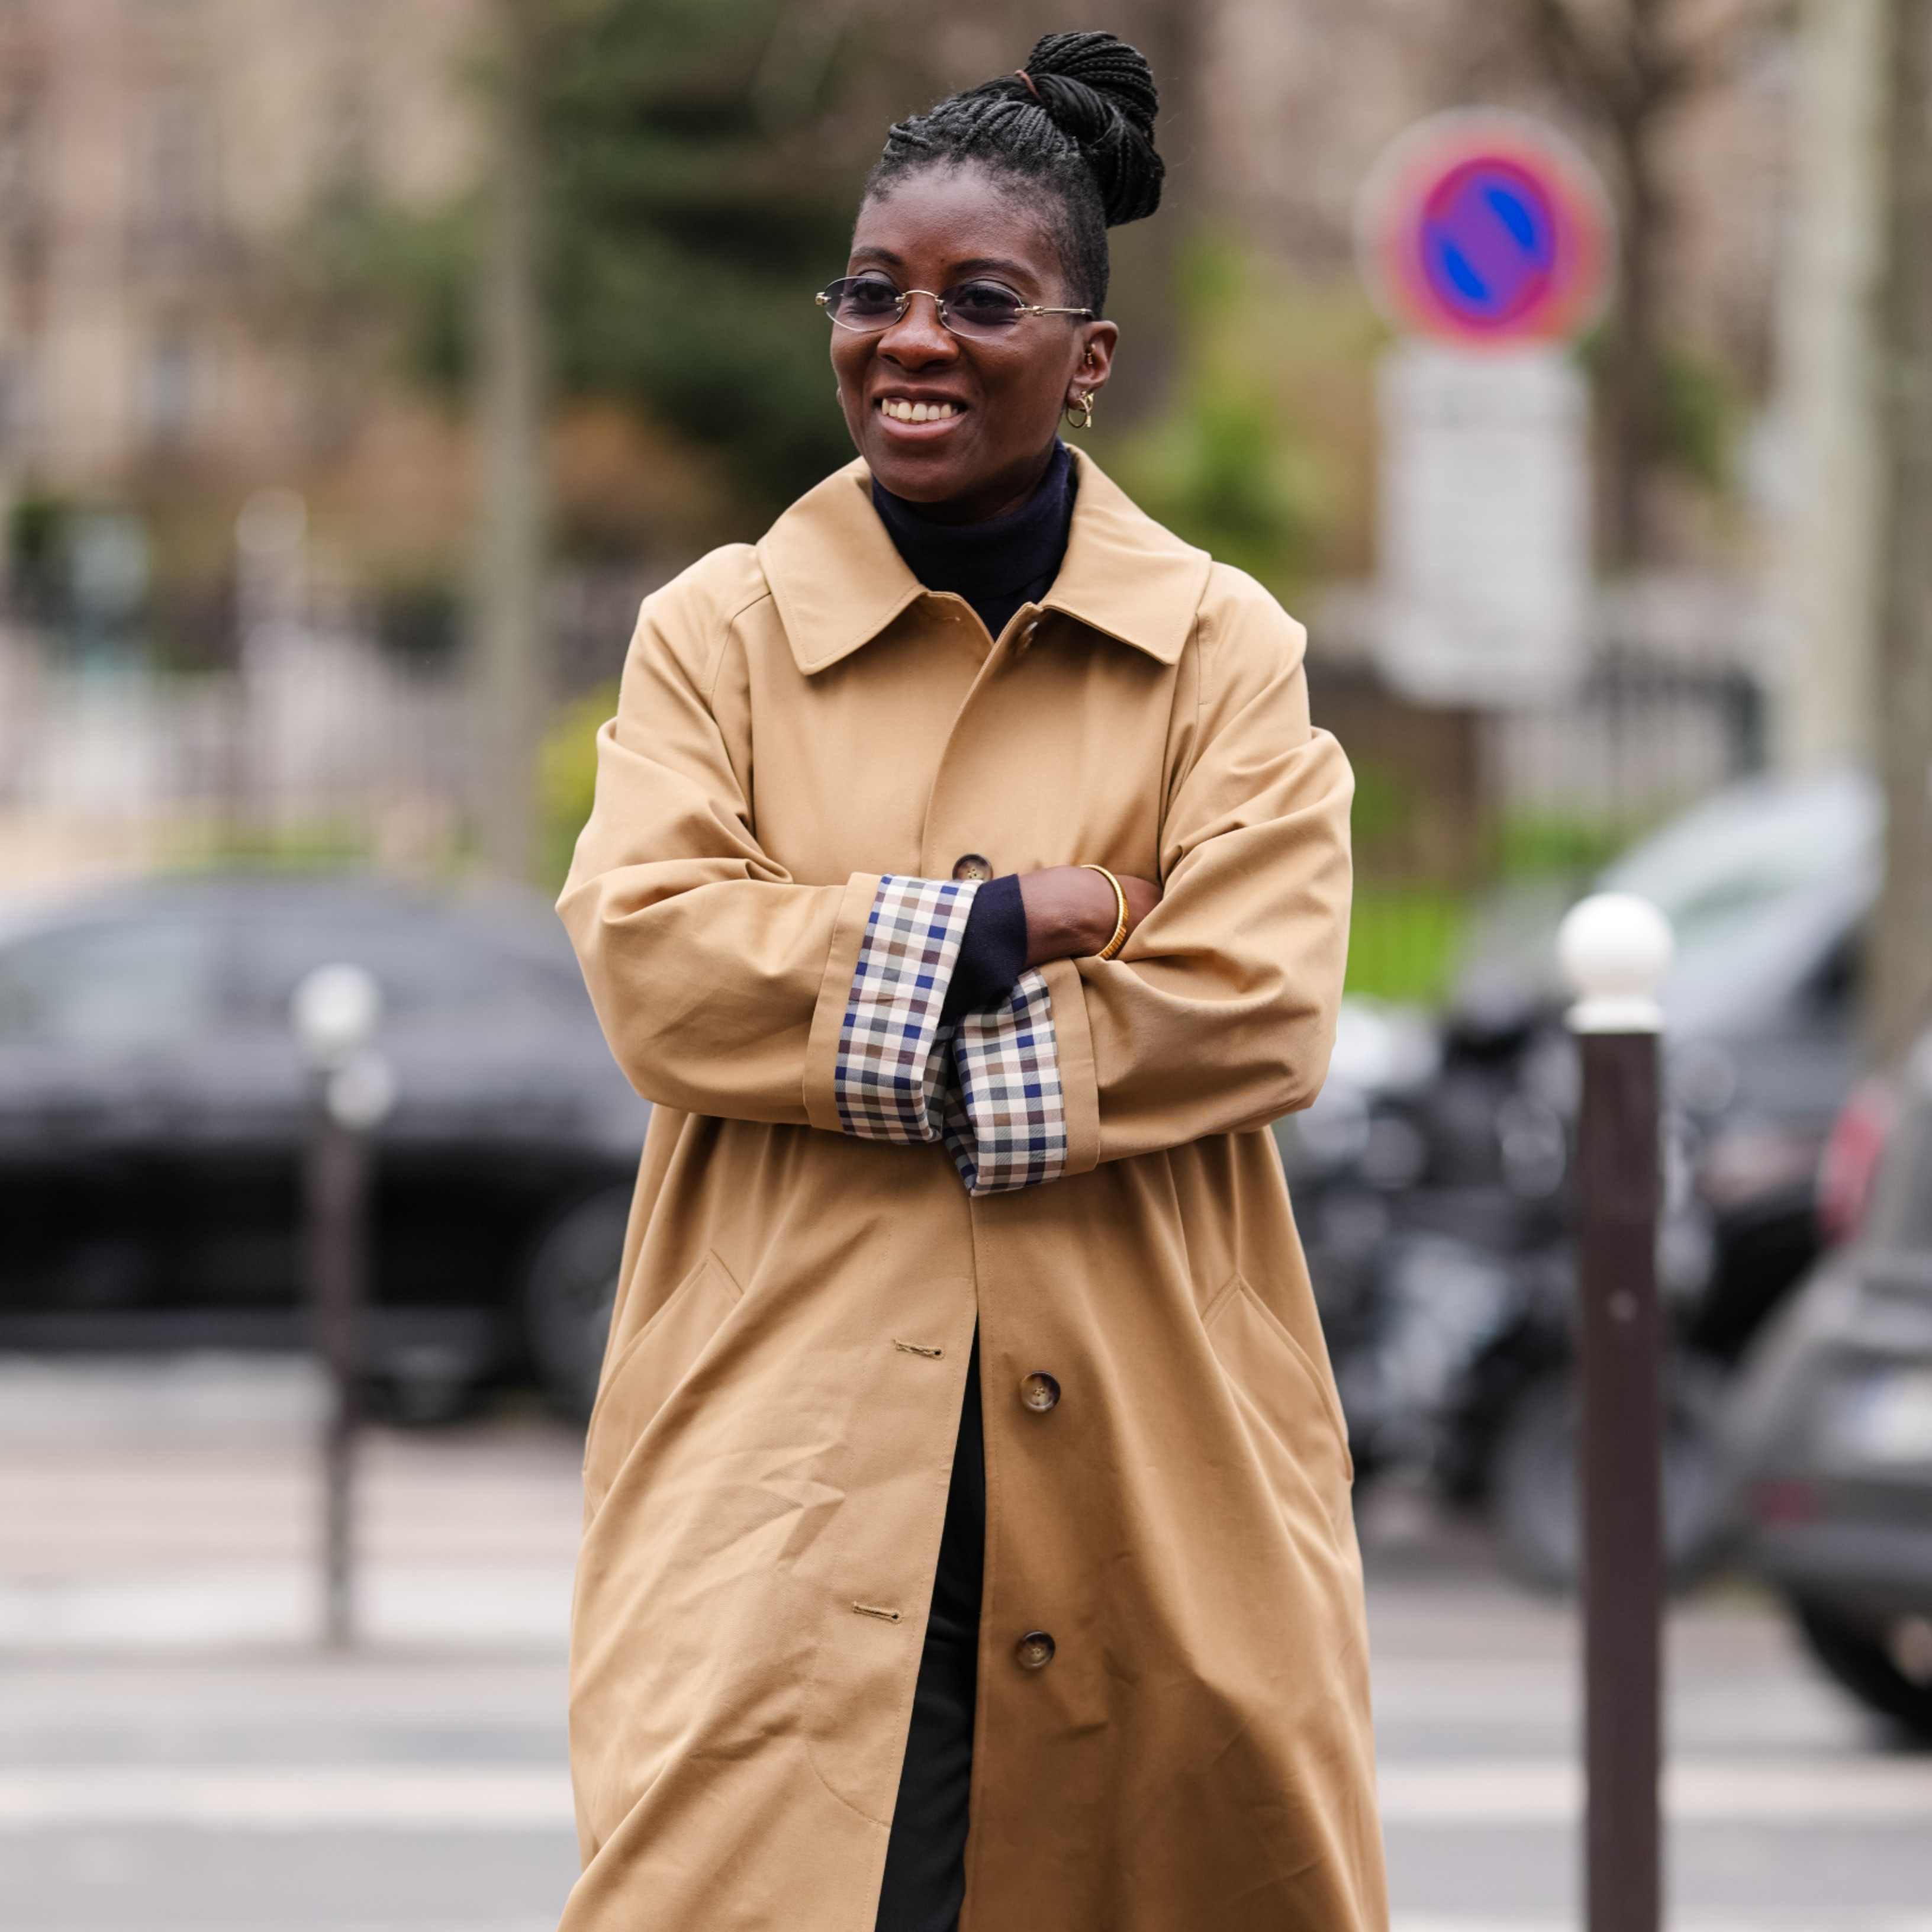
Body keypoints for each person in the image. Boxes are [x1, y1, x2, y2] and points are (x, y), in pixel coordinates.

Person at [556, 30, 1384, 1932]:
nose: (907, 338)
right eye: (871, 292)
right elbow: (651, 959)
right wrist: (1001, 932)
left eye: (977, 300)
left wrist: (854, 1008)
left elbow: (1261, 998)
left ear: (1087, 358)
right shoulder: (720, 633)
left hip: (1152, 1461)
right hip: (782, 1457)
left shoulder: (1220, 653)